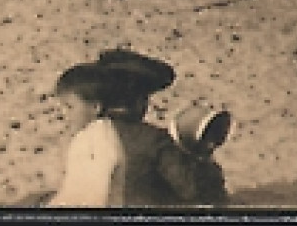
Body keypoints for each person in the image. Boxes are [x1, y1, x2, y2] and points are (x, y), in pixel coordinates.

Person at [44, 51, 228, 208]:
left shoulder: (86, 134)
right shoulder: (154, 139)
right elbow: (192, 189)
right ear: (140, 100)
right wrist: (203, 159)